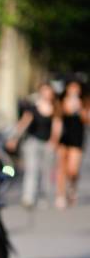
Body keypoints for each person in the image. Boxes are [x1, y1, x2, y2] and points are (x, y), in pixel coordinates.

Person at [6, 83, 58, 208]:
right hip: (32, 142)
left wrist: (54, 141)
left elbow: (57, 126)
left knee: (46, 171)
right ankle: (28, 198)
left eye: (48, 91)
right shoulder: (33, 108)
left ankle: (43, 197)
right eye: (44, 91)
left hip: (48, 143)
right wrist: (14, 138)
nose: (46, 94)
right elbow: (23, 123)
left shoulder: (56, 108)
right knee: (31, 170)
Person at [52, 80, 89, 209]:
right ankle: (60, 195)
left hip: (77, 138)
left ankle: (72, 186)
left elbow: (87, 120)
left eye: (76, 88)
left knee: (73, 170)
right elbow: (57, 120)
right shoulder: (61, 101)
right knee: (61, 168)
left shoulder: (84, 102)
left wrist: (80, 109)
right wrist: (54, 139)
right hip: (64, 137)